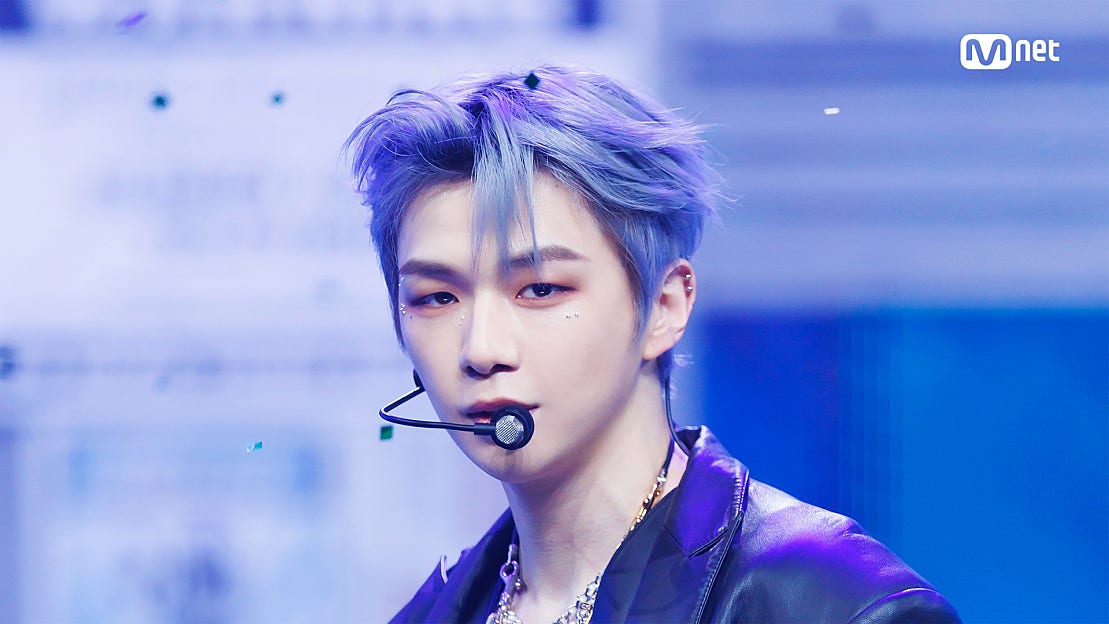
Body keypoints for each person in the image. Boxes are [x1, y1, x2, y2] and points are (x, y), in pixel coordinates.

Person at [346, 65, 960, 623]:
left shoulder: (833, 605)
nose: (481, 349)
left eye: (540, 289)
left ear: (665, 306)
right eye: (437, 298)